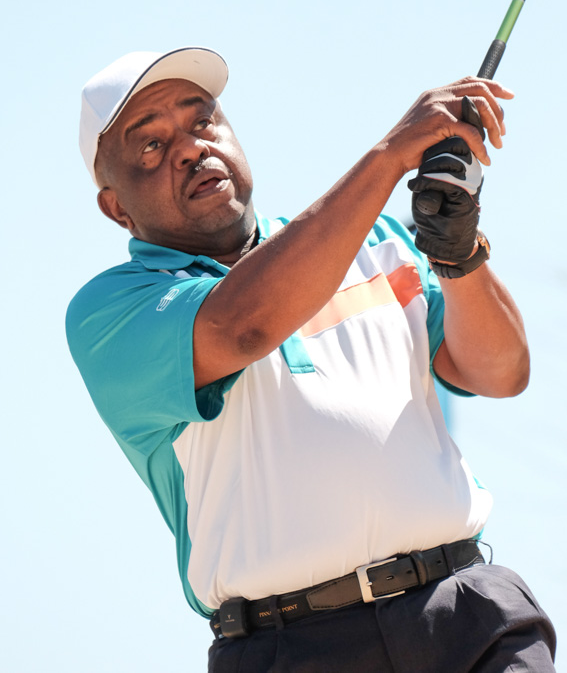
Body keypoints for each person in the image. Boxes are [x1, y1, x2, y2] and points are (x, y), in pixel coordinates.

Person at [66, 46, 556, 672]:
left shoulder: (379, 240)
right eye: (152, 146)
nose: (190, 148)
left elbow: (501, 372)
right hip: (290, 648)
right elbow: (244, 325)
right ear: (116, 207)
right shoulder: (111, 310)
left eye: (203, 120)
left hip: (464, 611)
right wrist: (390, 154)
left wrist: (459, 255)